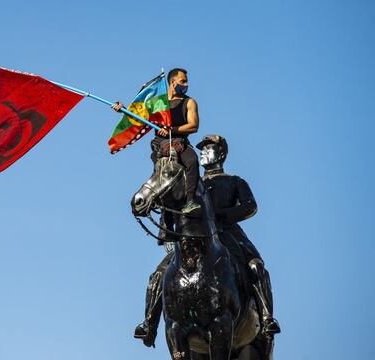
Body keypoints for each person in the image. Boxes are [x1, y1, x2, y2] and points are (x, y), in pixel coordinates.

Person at [196, 134, 281, 336]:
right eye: (202, 149)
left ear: (221, 153)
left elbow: (250, 206)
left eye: (208, 148)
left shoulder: (234, 181)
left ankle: (267, 317)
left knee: (256, 266)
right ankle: (151, 322)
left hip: (230, 232)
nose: (202, 152)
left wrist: (222, 216)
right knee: (163, 272)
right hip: (198, 235)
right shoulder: (193, 184)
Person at [112, 68, 201, 214]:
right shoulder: (158, 102)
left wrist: (171, 130)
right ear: (172, 82)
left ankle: (190, 201)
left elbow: (193, 126)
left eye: (186, 81)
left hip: (180, 142)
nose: (187, 84)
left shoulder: (189, 102)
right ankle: (163, 213)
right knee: (160, 176)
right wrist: (122, 109)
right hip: (161, 145)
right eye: (183, 81)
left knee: (192, 161)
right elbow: (138, 116)